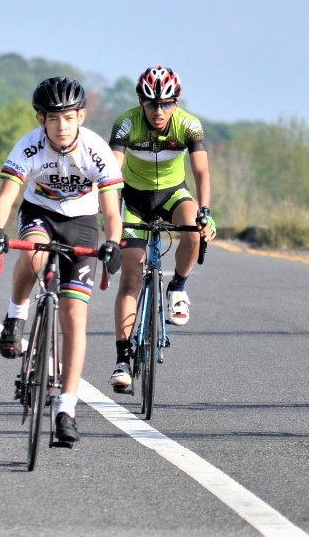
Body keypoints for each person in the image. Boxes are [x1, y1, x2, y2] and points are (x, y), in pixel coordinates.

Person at [0, 77, 124, 446]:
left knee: (75, 316)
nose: (61, 127)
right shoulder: (29, 147)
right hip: (40, 213)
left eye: (68, 118)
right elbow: (6, 197)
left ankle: (66, 408)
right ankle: (16, 316)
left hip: (81, 223)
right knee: (34, 253)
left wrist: (112, 243)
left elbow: (112, 210)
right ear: (40, 119)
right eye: (52, 119)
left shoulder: (96, 151)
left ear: (80, 116)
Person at [106, 66, 216, 393]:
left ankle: (178, 287)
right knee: (130, 276)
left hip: (173, 193)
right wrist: (109, 212)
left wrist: (206, 213)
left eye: (166, 104)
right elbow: (112, 170)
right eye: (152, 104)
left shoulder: (188, 125)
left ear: (176, 103)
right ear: (141, 102)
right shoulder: (126, 122)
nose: (158, 111)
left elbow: (202, 173)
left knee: (194, 226)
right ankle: (122, 359)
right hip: (135, 199)